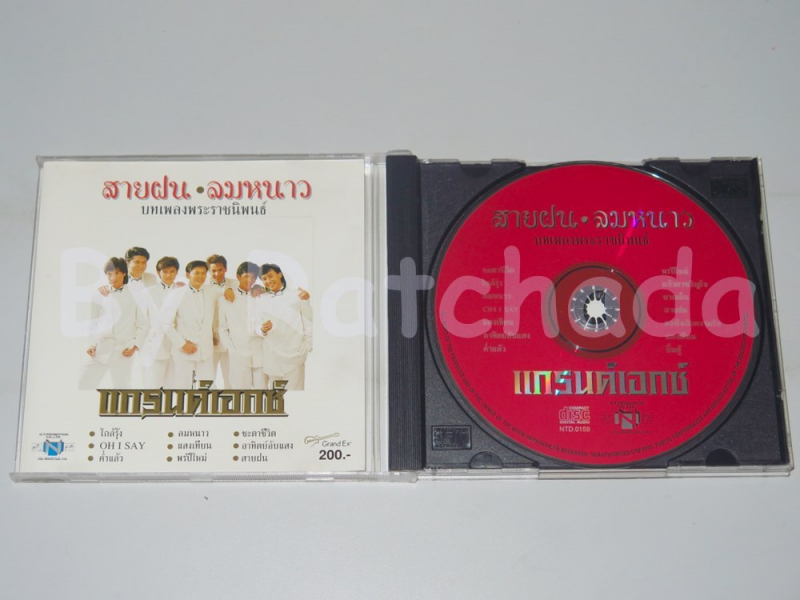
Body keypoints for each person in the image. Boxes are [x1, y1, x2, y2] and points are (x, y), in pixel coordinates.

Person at [79, 257, 148, 390]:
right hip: (101, 348)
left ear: (124, 273)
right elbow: (93, 323)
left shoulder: (136, 296)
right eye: (109, 274)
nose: (113, 277)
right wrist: (91, 344)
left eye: (116, 273)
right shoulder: (99, 295)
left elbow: (143, 325)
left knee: (122, 388)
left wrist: (134, 346)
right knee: (84, 383)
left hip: (124, 350)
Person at [251, 263, 313, 390]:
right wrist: (262, 329)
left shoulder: (297, 295)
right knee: (276, 397)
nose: (268, 281)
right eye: (264, 279)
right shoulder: (260, 299)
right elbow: (255, 325)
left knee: (295, 395)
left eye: (270, 276)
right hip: (272, 356)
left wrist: (307, 346)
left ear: (279, 274)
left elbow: (308, 321)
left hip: (294, 355)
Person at [165, 260, 216, 388]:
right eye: (197, 273)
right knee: (183, 388)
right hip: (183, 351)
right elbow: (166, 324)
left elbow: (230, 290)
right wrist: (182, 344)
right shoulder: (176, 294)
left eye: (203, 273)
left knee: (208, 388)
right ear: (188, 275)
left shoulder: (212, 291)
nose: (201, 276)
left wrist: (257, 288)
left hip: (205, 350)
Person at [218, 262, 267, 389]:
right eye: (246, 276)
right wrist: (232, 349)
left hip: (260, 353)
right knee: (240, 392)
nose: (250, 280)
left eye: (253, 277)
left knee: (262, 393)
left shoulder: (261, 296)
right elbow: (223, 328)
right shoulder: (225, 299)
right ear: (238, 277)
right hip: (238, 355)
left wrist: (261, 288)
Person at [140, 256, 181, 388]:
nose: (169, 275)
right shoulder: (148, 292)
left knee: (174, 386)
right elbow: (143, 320)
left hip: (178, 346)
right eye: (165, 271)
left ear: (177, 272)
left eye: (172, 271)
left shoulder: (182, 291)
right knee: (153, 385)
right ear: (158, 273)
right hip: (155, 345)